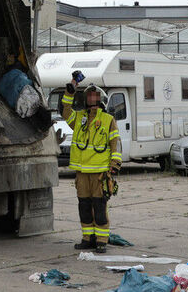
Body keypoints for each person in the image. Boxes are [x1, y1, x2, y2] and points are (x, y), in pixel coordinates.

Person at [61, 77, 122, 252]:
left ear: (101, 100)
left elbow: (114, 144)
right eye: (89, 97)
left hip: (99, 173)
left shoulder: (108, 119)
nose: (92, 100)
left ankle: (102, 240)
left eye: (95, 97)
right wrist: (70, 91)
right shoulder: (79, 118)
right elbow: (65, 111)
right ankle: (88, 238)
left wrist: (114, 164)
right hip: (81, 173)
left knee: (100, 207)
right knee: (84, 207)